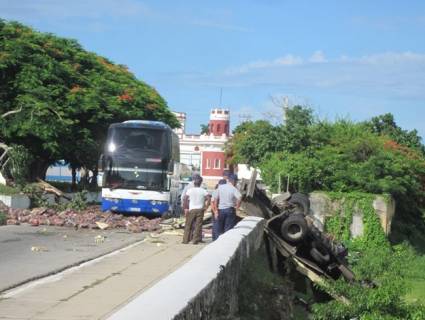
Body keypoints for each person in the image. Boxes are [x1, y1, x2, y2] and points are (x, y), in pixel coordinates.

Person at [182, 175, 210, 244]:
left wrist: (186, 208)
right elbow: (209, 198)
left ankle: (185, 240)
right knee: (198, 225)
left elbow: (185, 199)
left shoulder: (190, 190)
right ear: (200, 183)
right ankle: (195, 240)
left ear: (194, 183)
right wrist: (206, 206)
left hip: (192, 209)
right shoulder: (203, 191)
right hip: (200, 210)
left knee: (188, 225)